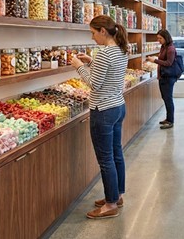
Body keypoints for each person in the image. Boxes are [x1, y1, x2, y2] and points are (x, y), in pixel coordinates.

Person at [71, 15, 128, 219]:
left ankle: (110, 205)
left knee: (105, 159)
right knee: (116, 154)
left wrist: (78, 65)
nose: (92, 37)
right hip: (118, 107)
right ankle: (117, 195)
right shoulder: (121, 50)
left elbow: (94, 83)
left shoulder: (104, 52)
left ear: (103, 31)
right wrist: (91, 61)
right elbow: (110, 72)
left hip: (102, 110)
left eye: (93, 33)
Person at [146, 29, 177, 129]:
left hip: (168, 77)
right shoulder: (164, 47)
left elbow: (169, 63)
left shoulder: (170, 48)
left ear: (165, 37)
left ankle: (170, 120)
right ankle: (168, 119)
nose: (158, 40)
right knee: (165, 98)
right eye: (158, 38)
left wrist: (155, 60)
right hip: (163, 76)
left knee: (168, 99)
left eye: (160, 38)